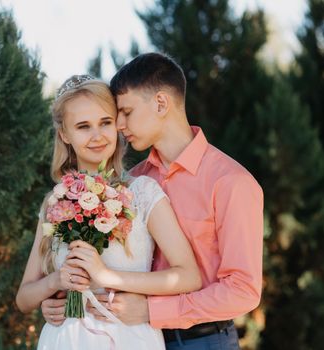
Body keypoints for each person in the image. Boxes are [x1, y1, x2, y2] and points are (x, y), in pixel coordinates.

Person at [41, 54, 264, 349]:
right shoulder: (131, 184)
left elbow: (243, 290)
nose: (119, 125)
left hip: (202, 339)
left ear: (160, 104)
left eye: (127, 112)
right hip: (134, 336)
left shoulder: (231, 182)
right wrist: (58, 301)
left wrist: (152, 311)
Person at [16, 75, 202, 350]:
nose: (97, 135)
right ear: (65, 134)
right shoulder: (55, 202)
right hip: (65, 340)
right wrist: (55, 282)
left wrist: (108, 277)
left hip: (129, 338)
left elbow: (189, 276)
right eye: (83, 126)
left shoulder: (142, 193)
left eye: (105, 122)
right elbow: (24, 298)